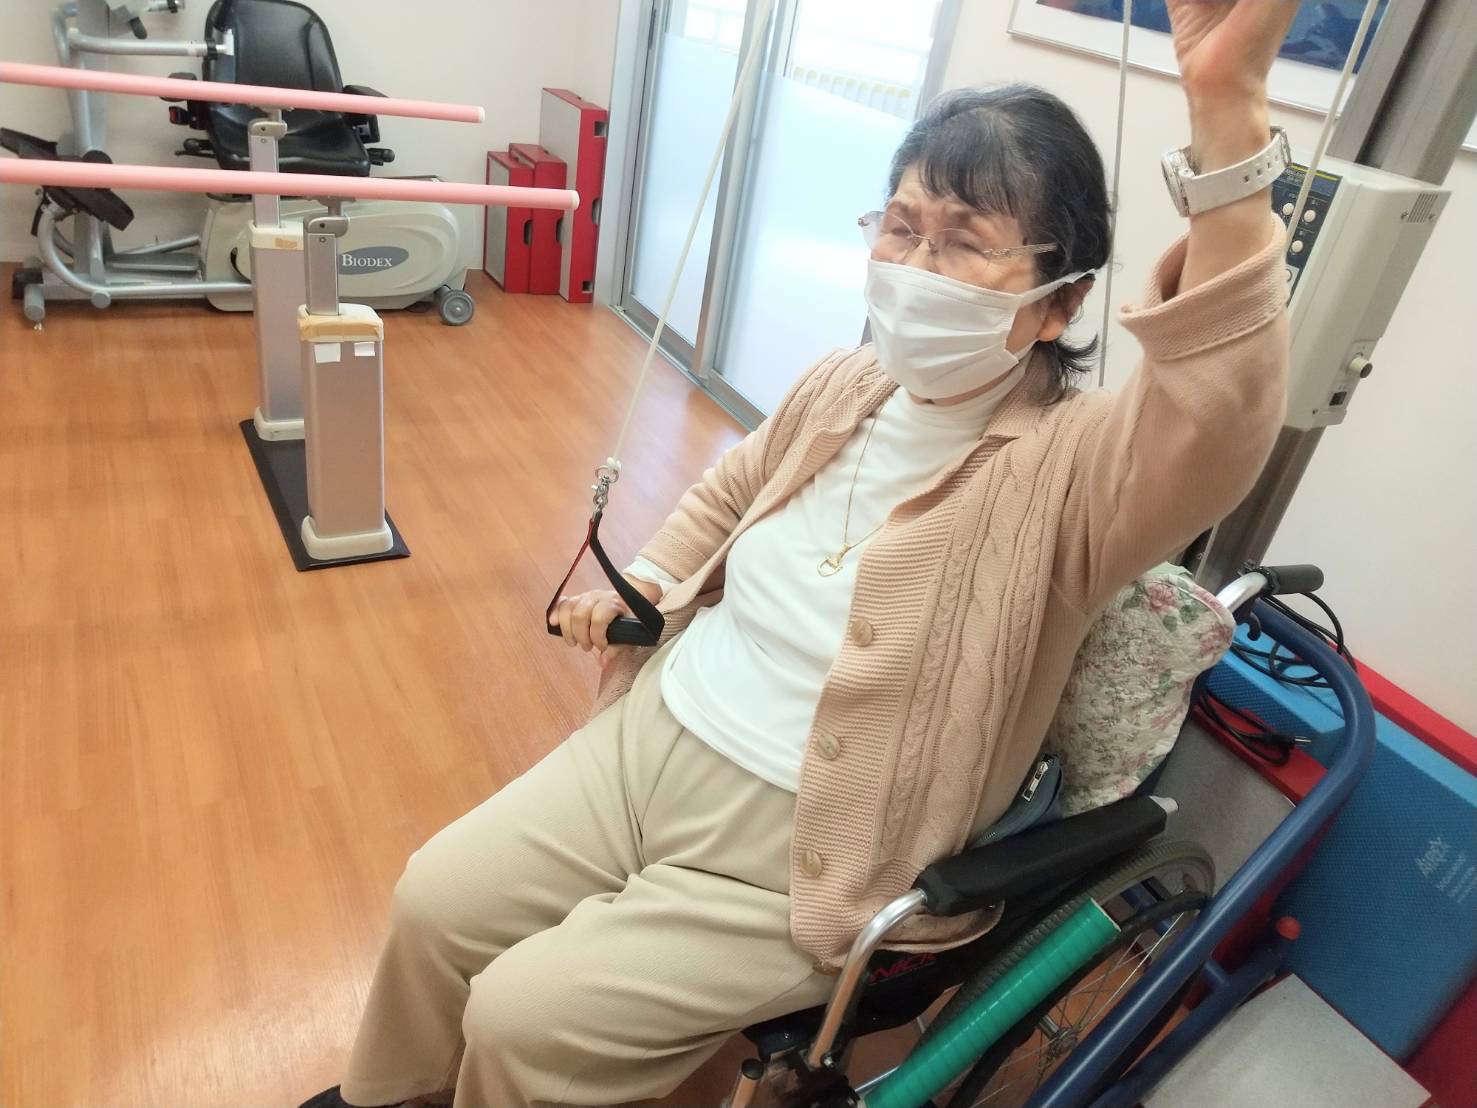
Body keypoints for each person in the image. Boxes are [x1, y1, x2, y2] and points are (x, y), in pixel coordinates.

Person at [303, 1, 1297, 1104]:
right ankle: (387, 1093)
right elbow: (731, 491)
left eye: (965, 241)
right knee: (433, 899)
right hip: (654, 732)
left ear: (1058, 304)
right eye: (901, 226)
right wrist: (649, 583)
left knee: (524, 1021)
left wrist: (1227, 112)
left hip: (806, 844)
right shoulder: (845, 381)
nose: (914, 265)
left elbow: (1214, 415)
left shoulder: (1079, 476)